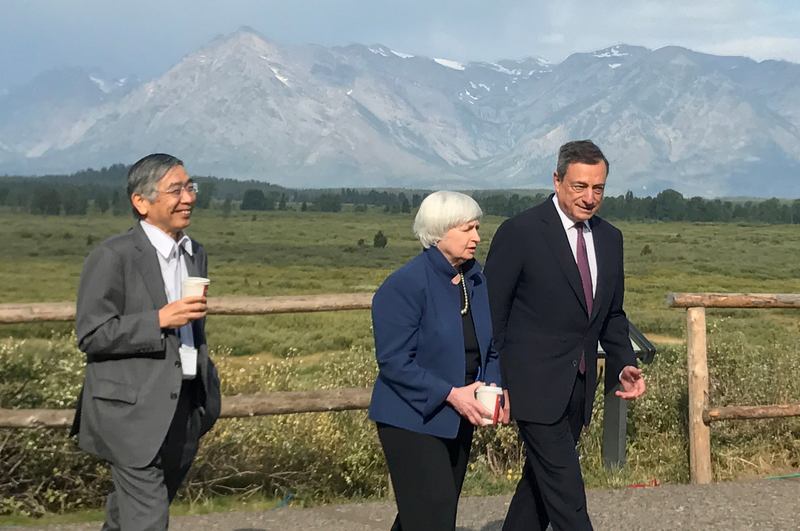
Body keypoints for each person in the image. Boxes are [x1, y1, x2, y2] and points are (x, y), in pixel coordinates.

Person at [485, 140, 646, 531]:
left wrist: (625, 362)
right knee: (567, 493)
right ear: (557, 181)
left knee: (539, 489)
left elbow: (612, 314)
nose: (590, 198)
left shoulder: (611, 238)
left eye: (598, 188)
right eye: (580, 186)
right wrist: (494, 381)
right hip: (531, 386)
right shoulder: (520, 232)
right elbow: (492, 315)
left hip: (579, 386)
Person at [70, 153, 221, 530]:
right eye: (176, 189)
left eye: (190, 186)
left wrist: (205, 399)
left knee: (127, 517)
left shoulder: (194, 253)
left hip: (184, 408)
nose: (188, 197)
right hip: (130, 414)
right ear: (141, 202)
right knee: (149, 519)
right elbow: (91, 334)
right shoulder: (113, 256)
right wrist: (158, 320)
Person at [368, 191, 508, 531]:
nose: (477, 237)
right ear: (438, 231)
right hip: (411, 418)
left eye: (477, 228)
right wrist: (450, 393)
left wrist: (495, 388)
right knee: (433, 514)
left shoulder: (477, 279)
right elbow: (394, 361)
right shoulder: (404, 285)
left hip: (459, 416)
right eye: (467, 229)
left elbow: (491, 346)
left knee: (425, 514)